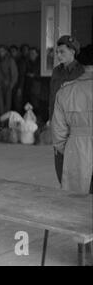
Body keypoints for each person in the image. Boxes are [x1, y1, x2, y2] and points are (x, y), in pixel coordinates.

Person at [51, 46, 92, 194]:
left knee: (76, 200)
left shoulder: (65, 91)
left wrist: (69, 151)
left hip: (76, 148)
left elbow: (58, 134)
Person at [49, 35, 85, 185]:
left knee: (79, 165)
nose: (58, 55)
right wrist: (51, 120)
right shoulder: (57, 71)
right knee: (60, 163)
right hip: (59, 123)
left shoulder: (83, 71)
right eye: (57, 52)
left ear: (72, 51)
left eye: (62, 52)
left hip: (76, 125)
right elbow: (52, 98)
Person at [0, 45, 18, 113]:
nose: (0, 52)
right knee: (0, 105)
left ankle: (6, 122)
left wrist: (11, 85)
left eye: (2, 51)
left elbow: (14, 74)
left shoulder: (10, 60)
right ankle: (2, 122)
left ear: (6, 51)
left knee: (7, 105)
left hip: (8, 85)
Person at [10, 45, 27, 113]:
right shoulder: (10, 60)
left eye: (13, 51)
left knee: (18, 104)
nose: (12, 53)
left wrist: (20, 87)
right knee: (12, 104)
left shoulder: (20, 61)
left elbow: (21, 75)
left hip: (18, 85)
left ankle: (19, 120)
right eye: (11, 51)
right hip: (12, 85)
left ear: (17, 52)